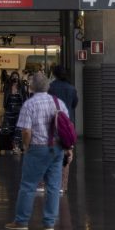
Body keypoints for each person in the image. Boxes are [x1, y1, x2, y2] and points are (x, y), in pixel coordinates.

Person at [6, 72, 70, 230]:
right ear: (47, 86)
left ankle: (21, 221)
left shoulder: (29, 104)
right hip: (57, 149)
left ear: (32, 87)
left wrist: (26, 147)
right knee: (54, 187)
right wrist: (69, 149)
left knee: (28, 185)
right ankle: (49, 223)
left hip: (37, 148)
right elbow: (67, 128)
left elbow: (26, 131)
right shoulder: (58, 103)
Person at [49, 65, 79, 193]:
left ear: (54, 74)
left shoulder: (50, 87)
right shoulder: (72, 88)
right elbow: (74, 104)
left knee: (51, 152)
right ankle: (62, 185)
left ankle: (50, 182)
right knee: (67, 153)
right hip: (67, 124)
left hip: (53, 124)